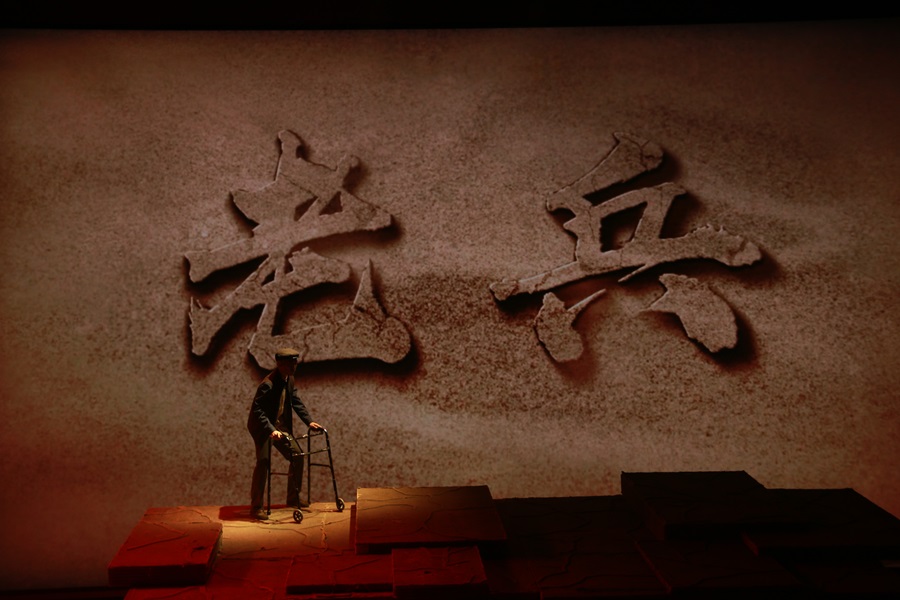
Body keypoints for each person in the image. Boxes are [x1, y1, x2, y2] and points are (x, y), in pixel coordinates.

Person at [247, 347, 323, 520]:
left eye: (295, 364)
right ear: (280, 364)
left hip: (279, 426)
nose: (293, 367)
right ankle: (256, 507)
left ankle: (292, 498)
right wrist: (271, 430)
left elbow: (295, 401)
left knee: (297, 455)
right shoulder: (268, 384)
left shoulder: (289, 379)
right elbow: (258, 411)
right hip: (263, 428)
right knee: (263, 462)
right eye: (290, 364)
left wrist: (308, 421)